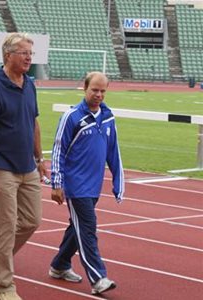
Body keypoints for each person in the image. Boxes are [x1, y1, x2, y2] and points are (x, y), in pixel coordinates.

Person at [0, 33, 47, 300]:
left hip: (27, 166)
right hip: (2, 167)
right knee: (6, 226)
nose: (29, 57)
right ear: (8, 56)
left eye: (31, 53)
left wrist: (39, 159)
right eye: (24, 53)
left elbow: (34, 123)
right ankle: (4, 286)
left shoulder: (29, 84)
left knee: (32, 221)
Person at [49, 71, 124, 295]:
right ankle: (98, 277)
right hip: (75, 185)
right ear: (84, 88)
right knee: (88, 228)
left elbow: (114, 151)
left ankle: (59, 264)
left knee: (78, 228)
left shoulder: (108, 117)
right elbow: (58, 151)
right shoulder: (72, 116)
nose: (99, 95)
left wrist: (118, 181)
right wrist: (57, 183)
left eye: (103, 91)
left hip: (94, 186)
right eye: (95, 90)